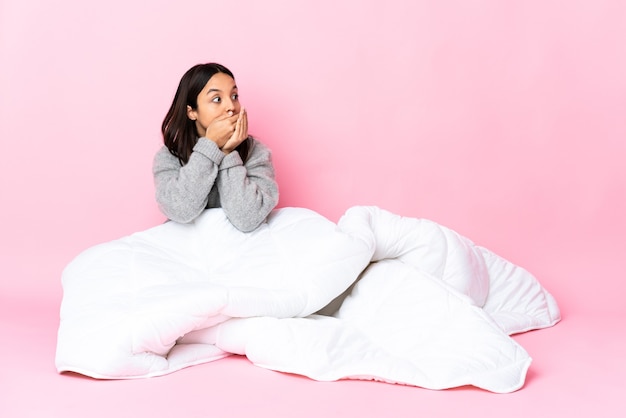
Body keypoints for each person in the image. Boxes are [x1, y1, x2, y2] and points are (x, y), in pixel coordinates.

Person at [153, 63, 279, 231]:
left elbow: (248, 219)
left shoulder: (256, 151)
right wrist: (210, 147)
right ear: (192, 112)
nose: (231, 107)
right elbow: (180, 210)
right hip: (188, 246)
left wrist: (228, 153)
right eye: (217, 99)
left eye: (234, 96)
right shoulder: (169, 155)